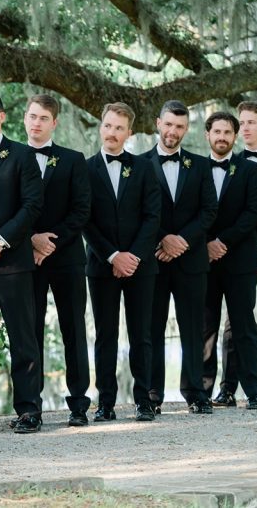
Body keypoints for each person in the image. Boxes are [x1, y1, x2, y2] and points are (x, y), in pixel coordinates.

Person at [0, 92, 44, 433]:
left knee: (23, 337)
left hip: (12, 260)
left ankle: (29, 409)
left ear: (2, 116)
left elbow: (31, 206)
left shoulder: (22, 155)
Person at [83, 102, 160, 423]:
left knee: (142, 334)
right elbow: (84, 219)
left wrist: (133, 256)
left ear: (129, 133)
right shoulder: (85, 169)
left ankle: (144, 400)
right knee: (105, 335)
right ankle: (106, 403)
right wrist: (113, 256)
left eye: (119, 128)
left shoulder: (143, 168)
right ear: (101, 127)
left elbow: (153, 216)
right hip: (102, 265)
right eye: (108, 126)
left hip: (141, 266)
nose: (112, 133)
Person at [141, 101, 217, 415]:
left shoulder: (200, 165)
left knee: (194, 328)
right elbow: (138, 210)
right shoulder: (141, 163)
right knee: (152, 328)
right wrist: (163, 238)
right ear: (158, 124)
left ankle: (196, 393)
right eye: (169, 124)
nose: (173, 131)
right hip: (154, 260)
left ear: (186, 129)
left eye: (180, 126)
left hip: (191, 260)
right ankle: (152, 394)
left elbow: (209, 211)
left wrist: (182, 240)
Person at [24, 94, 91, 426]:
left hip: (66, 258)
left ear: (55, 122)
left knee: (74, 330)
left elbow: (82, 210)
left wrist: (50, 242)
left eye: (43, 118)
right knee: (29, 331)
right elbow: (4, 209)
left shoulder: (73, 159)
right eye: (32, 116)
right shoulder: (9, 158)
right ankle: (30, 407)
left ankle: (79, 404)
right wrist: (30, 241)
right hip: (25, 259)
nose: (36, 123)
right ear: (24, 119)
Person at [197, 111, 257, 409]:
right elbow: (190, 213)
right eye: (217, 132)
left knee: (243, 326)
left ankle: (253, 392)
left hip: (240, 260)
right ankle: (204, 392)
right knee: (206, 327)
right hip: (203, 261)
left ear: (234, 137)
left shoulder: (250, 170)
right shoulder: (196, 168)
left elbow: (254, 212)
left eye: (227, 132)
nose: (222, 137)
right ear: (207, 135)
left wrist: (222, 242)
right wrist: (206, 245)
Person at [214, 101, 257, 407]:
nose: (247, 128)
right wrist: (251, 249)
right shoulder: (231, 163)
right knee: (235, 322)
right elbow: (230, 214)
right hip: (240, 252)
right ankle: (228, 389)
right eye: (243, 122)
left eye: (252, 122)